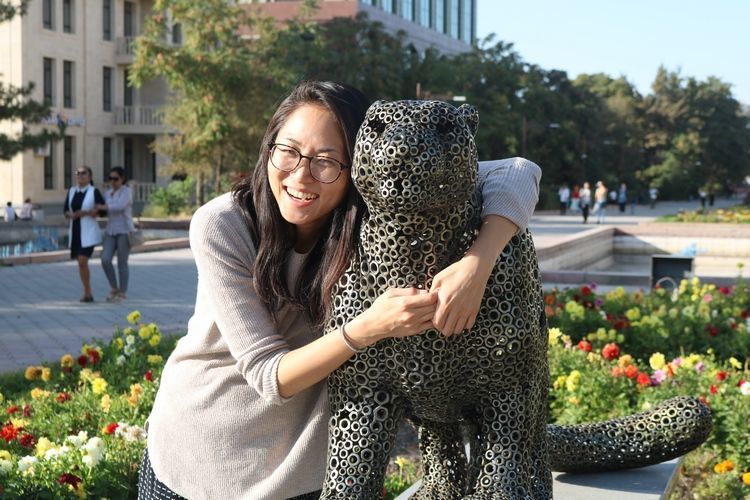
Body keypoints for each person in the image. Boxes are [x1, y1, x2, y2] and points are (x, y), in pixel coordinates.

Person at [139, 81, 541, 499]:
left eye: (327, 161)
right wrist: (368, 327)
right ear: (269, 146)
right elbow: (268, 375)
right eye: (288, 151)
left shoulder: (367, 211)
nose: (300, 176)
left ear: (358, 163)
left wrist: (478, 263)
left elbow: (517, 171)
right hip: (200, 458)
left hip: (300, 468)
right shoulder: (224, 224)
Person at [64, 166, 105, 302]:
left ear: (89, 176)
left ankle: (88, 292)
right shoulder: (71, 191)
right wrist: (69, 214)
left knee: (82, 260)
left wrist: (86, 213)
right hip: (75, 231)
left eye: (83, 173)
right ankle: (87, 293)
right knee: (81, 264)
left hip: (88, 232)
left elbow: (102, 210)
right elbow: (65, 209)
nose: (80, 176)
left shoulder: (94, 191)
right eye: (77, 173)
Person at [101, 167, 134, 302]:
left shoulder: (127, 192)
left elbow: (119, 206)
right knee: (105, 259)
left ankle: (122, 292)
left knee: (122, 262)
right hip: (110, 230)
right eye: (110, 179)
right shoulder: (107, 193)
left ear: (122, 179)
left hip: (124, 231)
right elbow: (104, 209)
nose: (113, 182)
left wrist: (104, 207)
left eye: (115, 179)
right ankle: (114, 287)